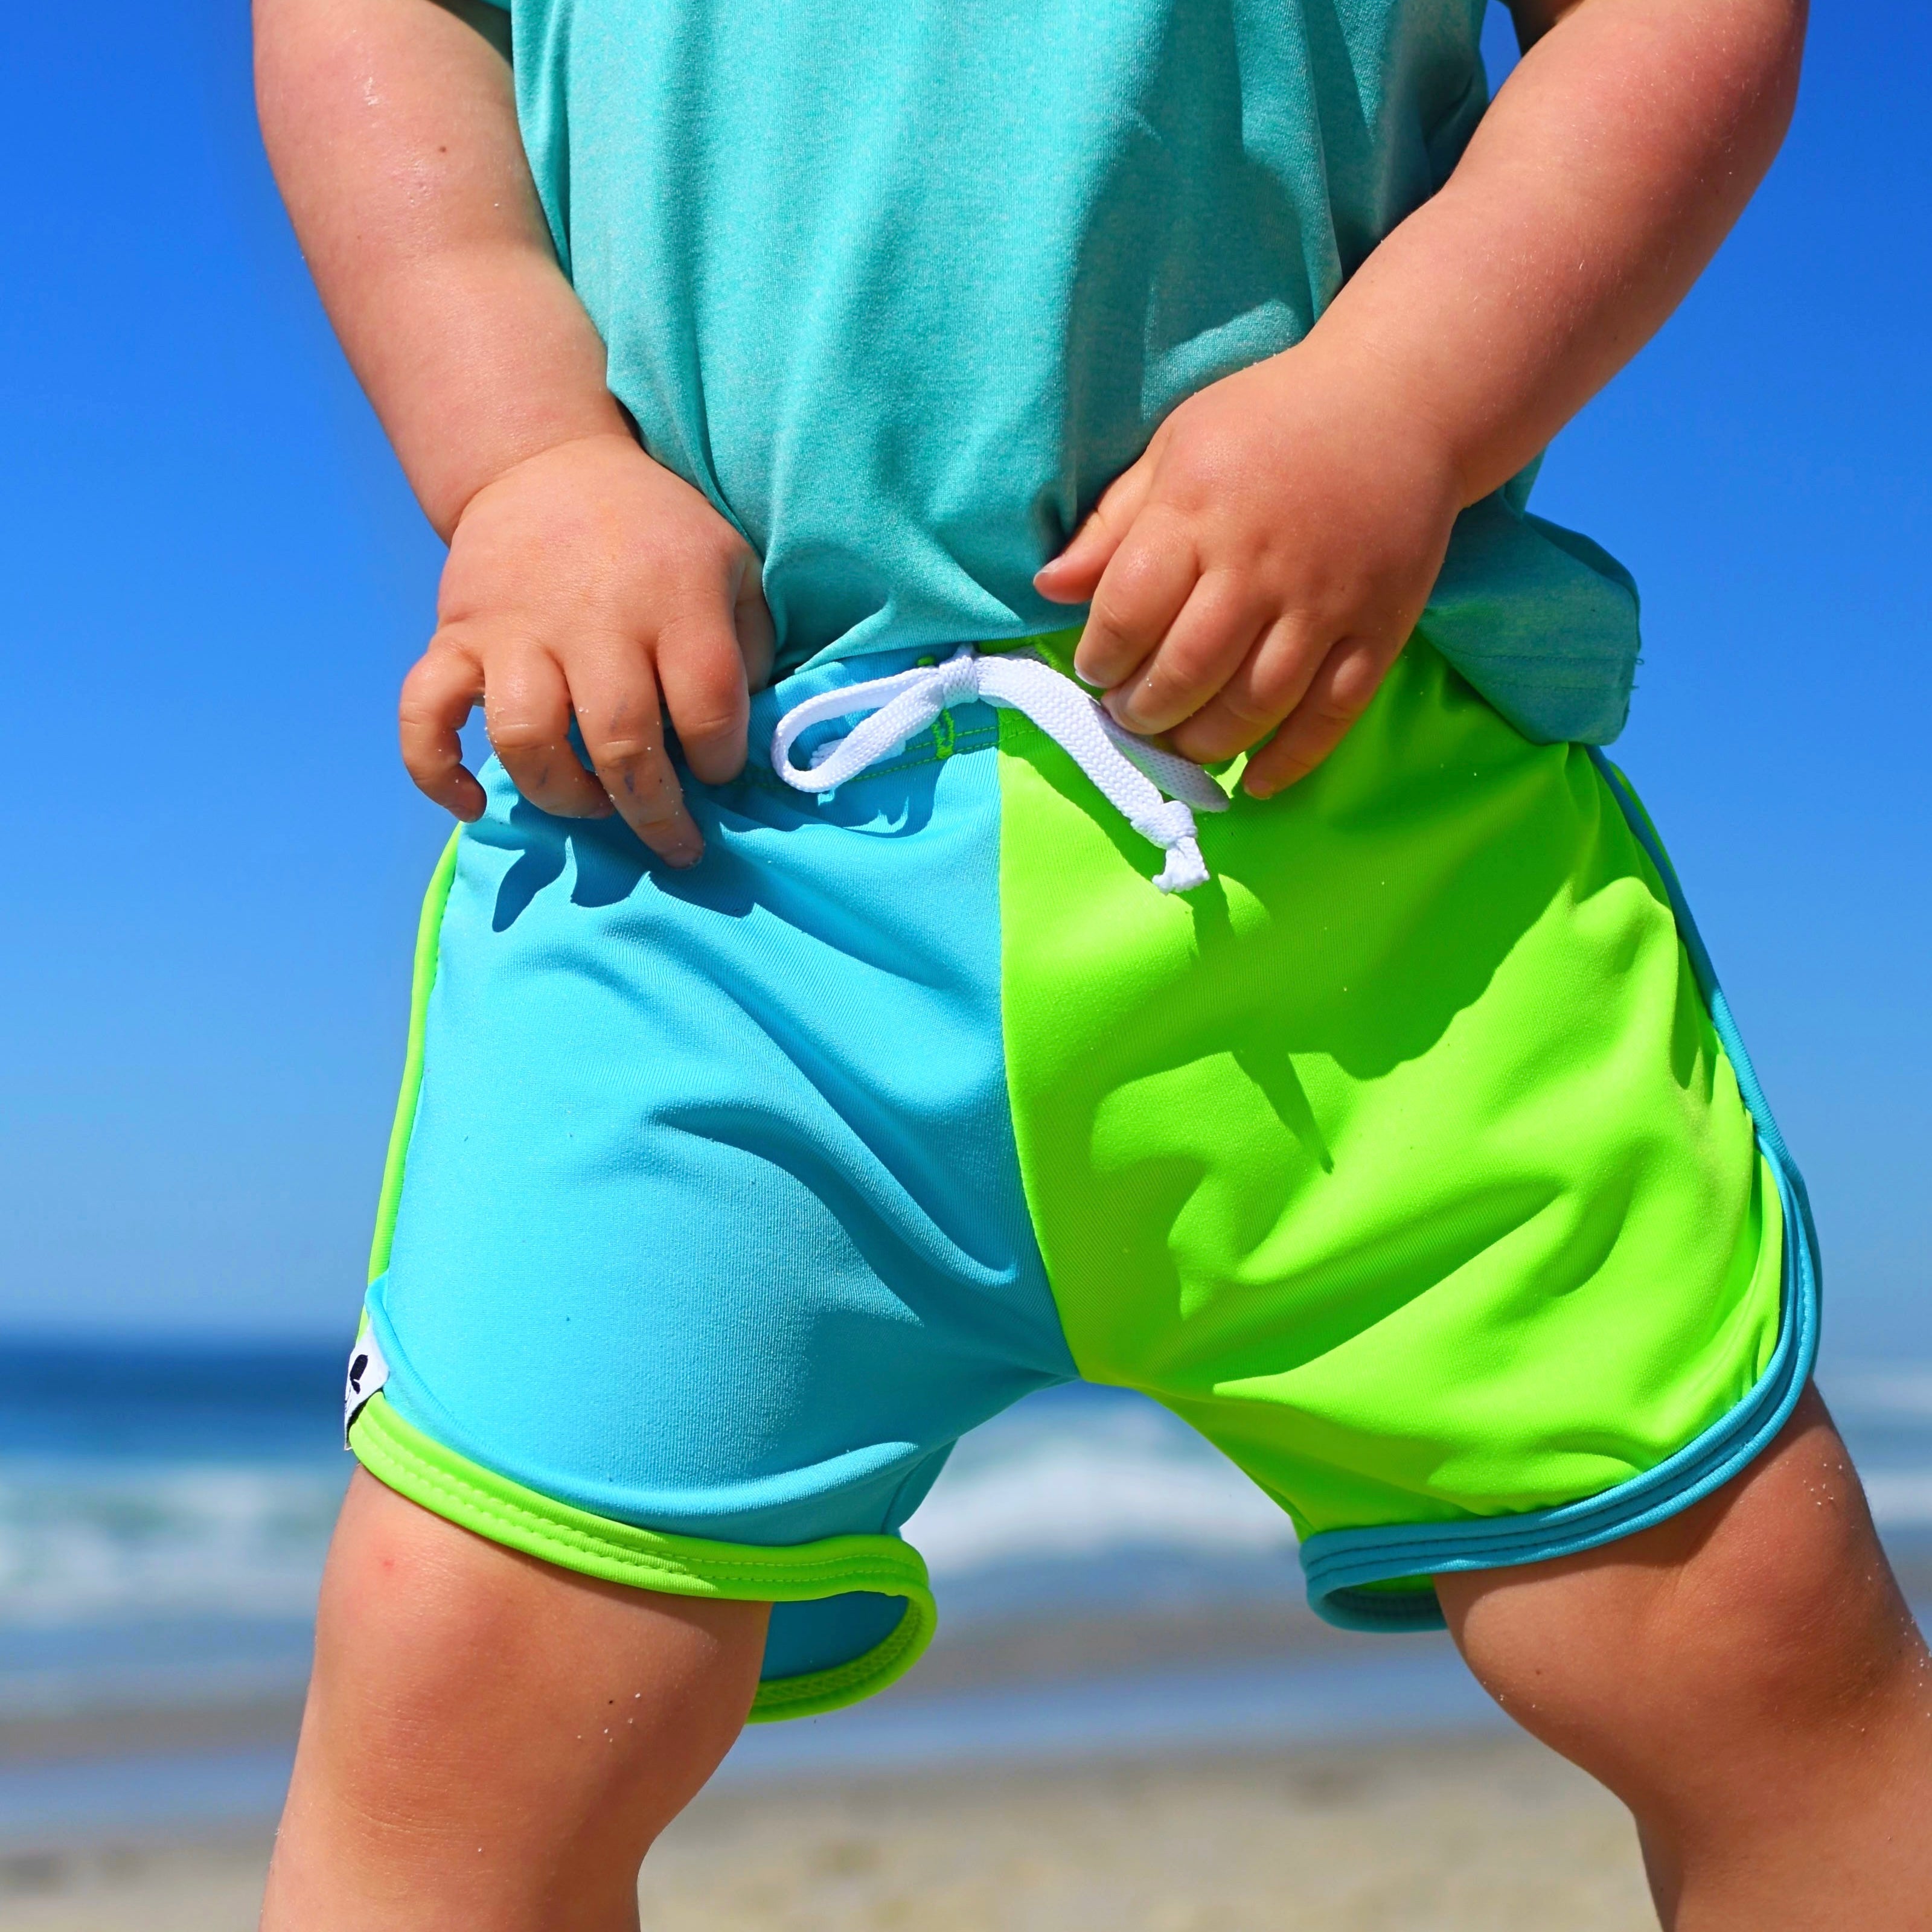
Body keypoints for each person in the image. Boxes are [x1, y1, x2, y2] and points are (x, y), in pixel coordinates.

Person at [252, 0, 1930, 1922]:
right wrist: (526, 456)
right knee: (464, 1725)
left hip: (1350, 819)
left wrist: (1400, 399)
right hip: (706, 836)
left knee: (1756, 1653)